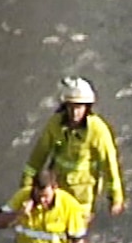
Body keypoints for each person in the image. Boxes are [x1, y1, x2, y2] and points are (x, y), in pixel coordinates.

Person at [19, 76, 125, 229]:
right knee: (53, 231)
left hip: (82, 196)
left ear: (87, 107)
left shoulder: (97, 130)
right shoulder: (55, 124)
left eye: (80, 107)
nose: (75, 112)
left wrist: (116, 198)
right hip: (57, 191)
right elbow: (38, 157)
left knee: (75, 234)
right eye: (72, 107)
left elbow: (110, 164)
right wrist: (27, 189)